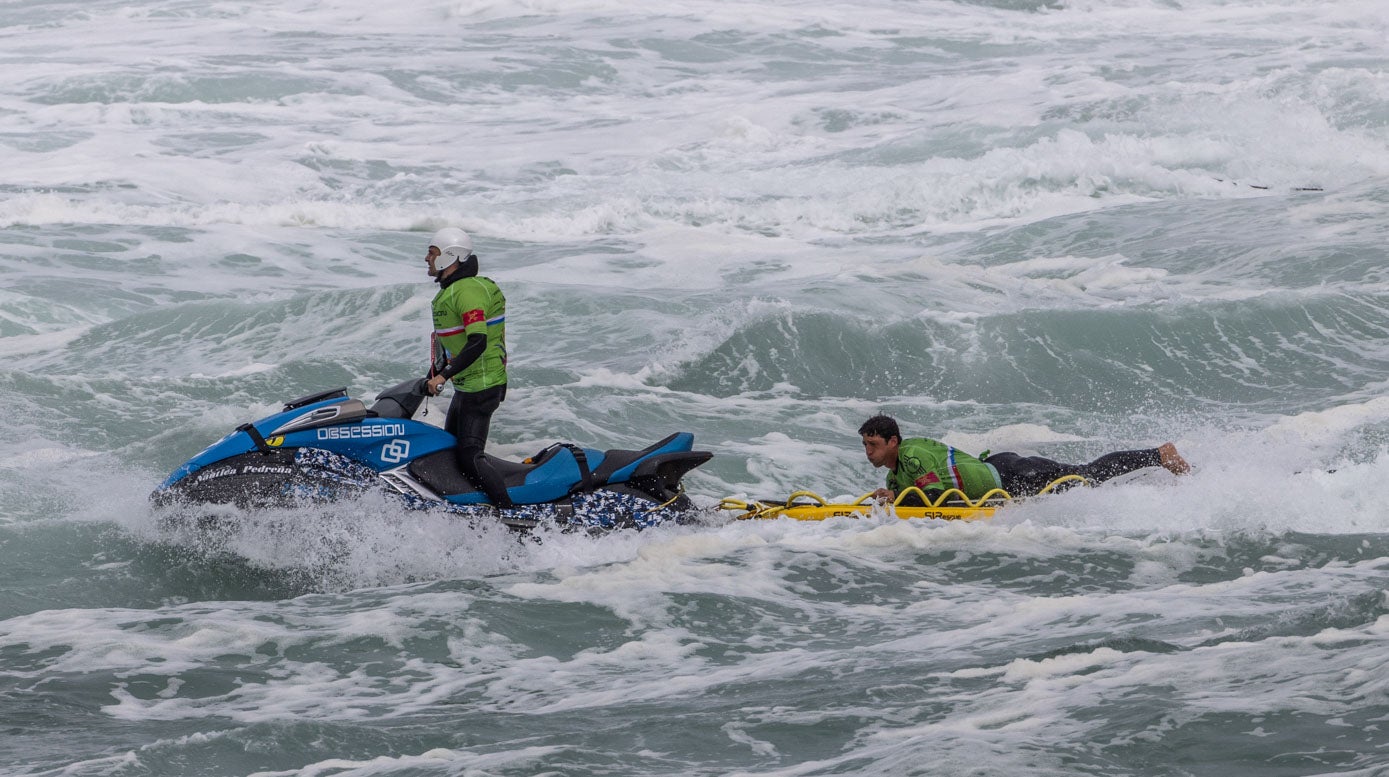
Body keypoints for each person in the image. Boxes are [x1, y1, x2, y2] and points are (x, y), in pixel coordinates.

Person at [858, 414, 1189, 505]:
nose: (868, 451)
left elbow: (931, 497)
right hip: (1000, 472)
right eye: (865, 445)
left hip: (1012, 476)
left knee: (1086, 477)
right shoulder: (895, 476)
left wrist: (897, 499)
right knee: (1084, 480)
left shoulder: (913, 458)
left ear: (893, 442)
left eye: (873, 444)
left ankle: (1159, 455)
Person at [422, 227, 513, 508]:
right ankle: (464, 505)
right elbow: (449, 346)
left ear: (451, 257)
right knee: (448, 448)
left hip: (483, 386)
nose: (427, 258)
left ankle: (508, 513)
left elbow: (477, 342)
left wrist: (443, 377)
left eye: (432, 253)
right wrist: (431, 376)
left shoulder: (469, 291)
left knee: (469, 455)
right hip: (467, 386)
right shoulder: (451, 292)